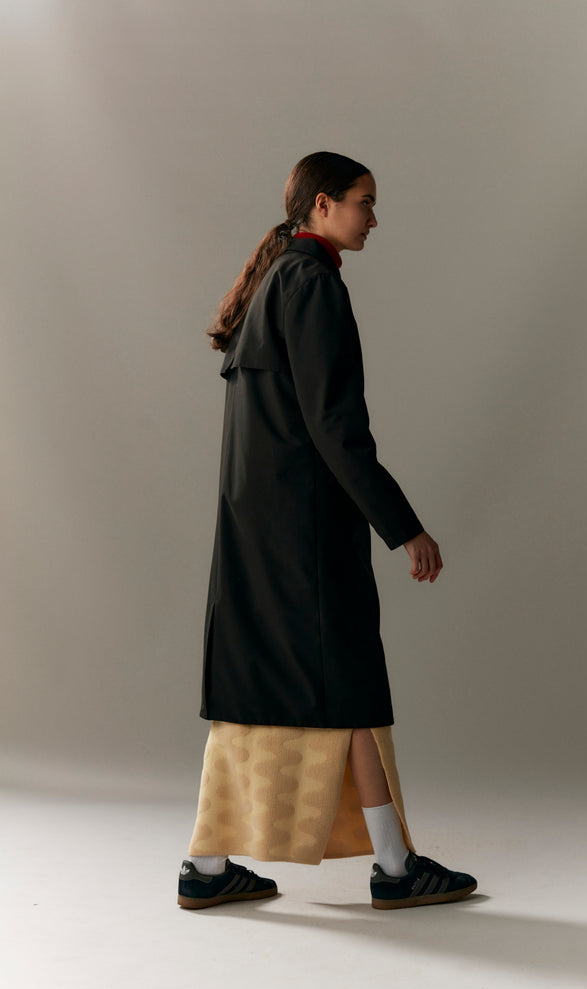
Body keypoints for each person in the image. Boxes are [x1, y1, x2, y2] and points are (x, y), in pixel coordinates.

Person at [178, 151, 477, 911]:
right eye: (363, 201)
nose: (373, 218)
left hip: (258, 525)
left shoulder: (276, 279)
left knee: (262, 684)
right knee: (346, 683)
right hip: (304, 528)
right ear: (321, 204)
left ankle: (207, 868)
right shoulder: (312, 285)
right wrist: (403, 527)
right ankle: (394, 869)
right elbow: (335, 426)